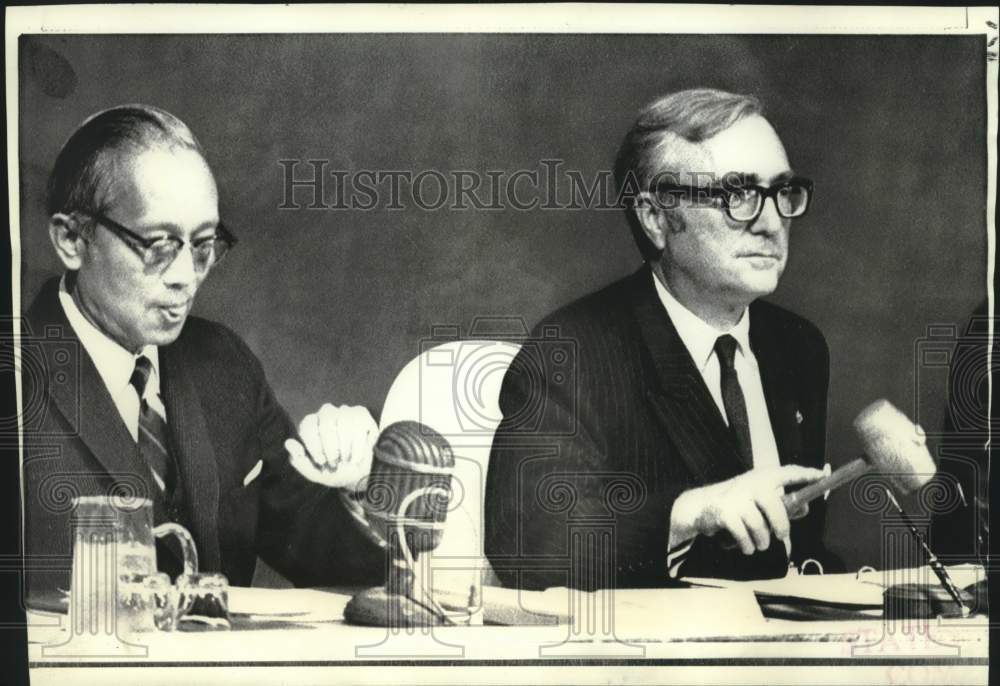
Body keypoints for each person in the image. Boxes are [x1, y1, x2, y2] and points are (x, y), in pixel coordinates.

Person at [21, 105, 384, 597]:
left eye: (203, 246)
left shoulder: (224, 364)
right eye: (158, 244)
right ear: (71, 239)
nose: (186, 276)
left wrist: (357, 487)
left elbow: (339, 566)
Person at [485, 88, 840, 590]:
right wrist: (689, 512)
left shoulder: (798, 346)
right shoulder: (574, 350)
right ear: (656, 219)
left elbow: (791, 554)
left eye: (781, 191)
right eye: (737, 194)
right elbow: (526, 539)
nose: (770, 222)